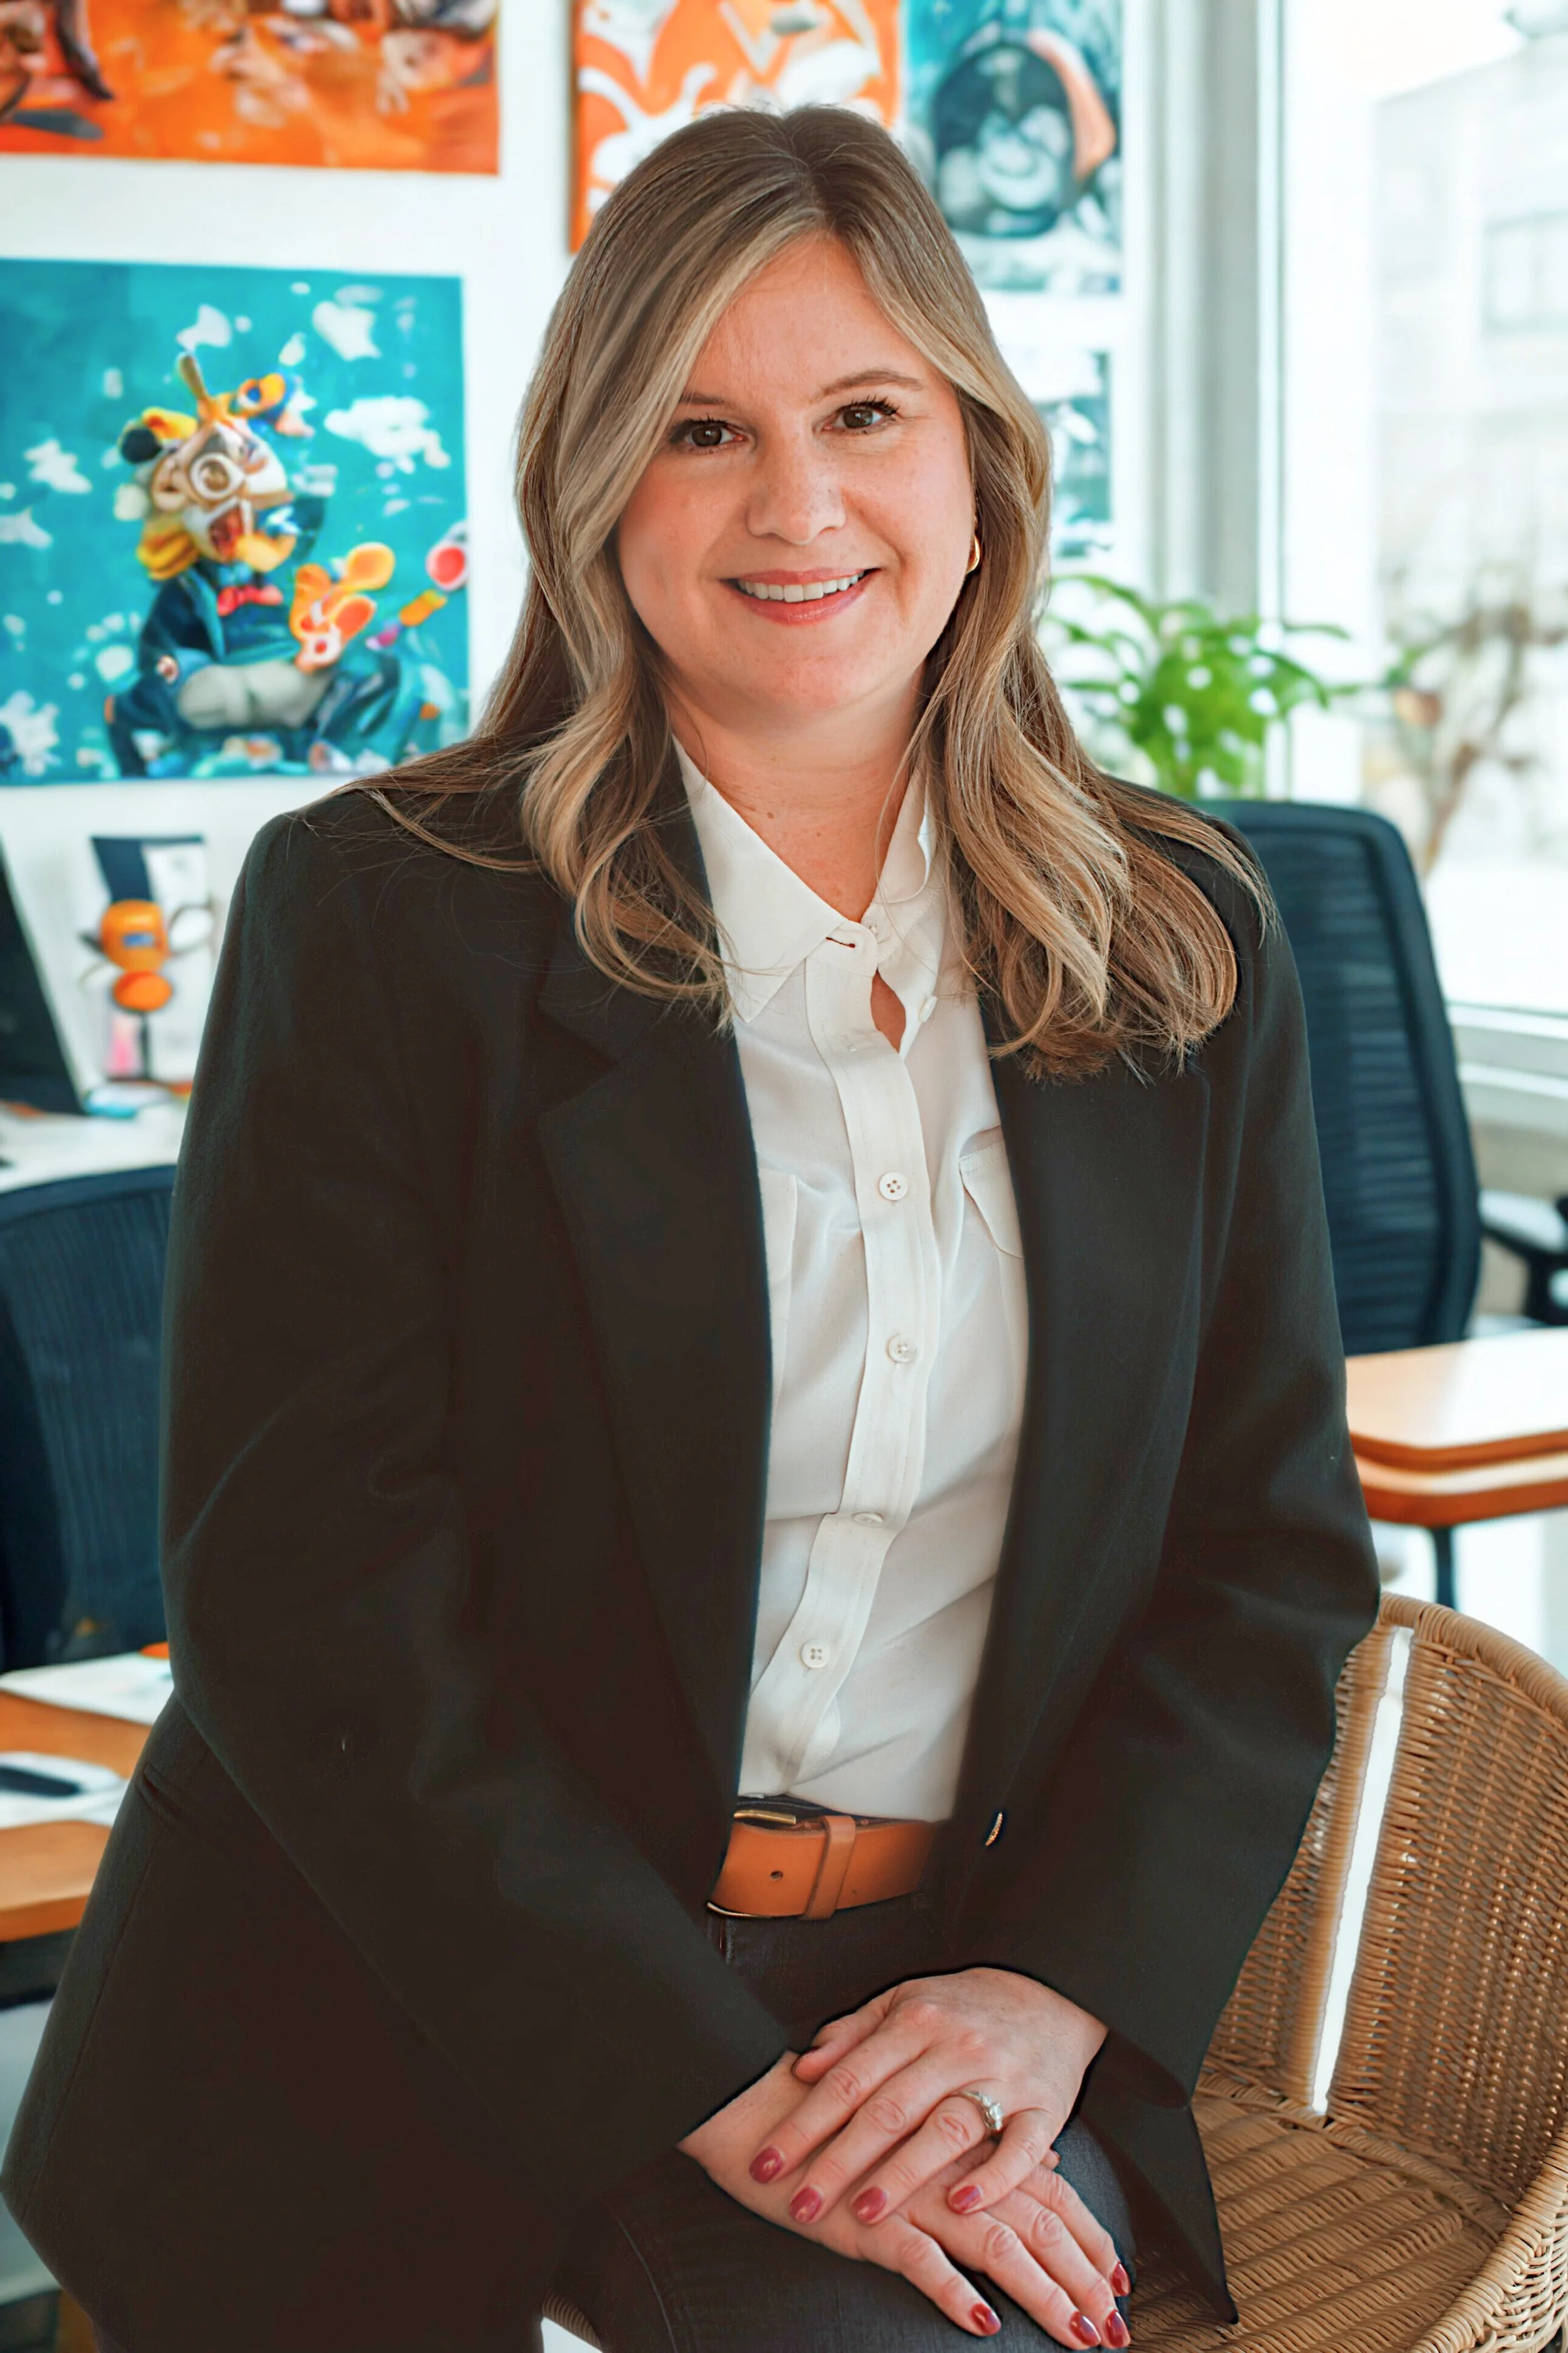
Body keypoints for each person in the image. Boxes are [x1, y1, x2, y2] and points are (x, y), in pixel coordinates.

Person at [0, 104, 1380, 2353]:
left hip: (942, 1988)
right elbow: (311, 1598)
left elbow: (1267, 1552)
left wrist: (1051, 1991)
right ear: (594, 488)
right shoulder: (385, 920)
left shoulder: (1176, 933)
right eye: (701, 428)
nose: (797, 505)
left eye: (866, 416)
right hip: (415, 1973)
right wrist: (702, 2082)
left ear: (980, 462)